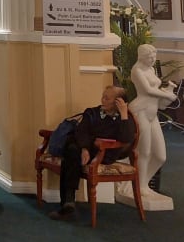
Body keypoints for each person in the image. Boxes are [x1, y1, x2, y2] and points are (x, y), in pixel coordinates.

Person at [49, 85, 135, 221]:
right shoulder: (92, 113)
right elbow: (81, 131)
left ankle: (67, 201)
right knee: (72, 149)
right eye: (103, 97)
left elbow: (127, 138)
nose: (103, 100)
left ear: (118, 102)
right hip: (86, 151)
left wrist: (124, 114)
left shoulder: (124, 119)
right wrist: (84, 148)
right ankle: (68, 203)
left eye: (107, 98)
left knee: (71, 152)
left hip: (105, 154)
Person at [129, 43, 177, 204]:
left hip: (152, 113)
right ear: (142, 57)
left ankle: (142, 183)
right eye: (149, 57)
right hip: (141, 110)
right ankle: (140, 187)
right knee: (144, 152)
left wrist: (167, 92)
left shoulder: (150, 69)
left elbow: (155, 91)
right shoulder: (137, 70)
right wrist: (167, 96)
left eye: (154, 57)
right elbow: (147, 91)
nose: (152, 59)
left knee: (160, 156)